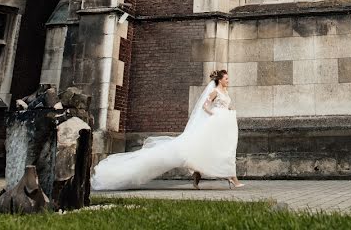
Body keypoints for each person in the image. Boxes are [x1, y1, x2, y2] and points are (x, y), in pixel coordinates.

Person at [91, 69, 244, 190]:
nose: (228, 81)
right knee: (202, 149)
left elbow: (227, 106)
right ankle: (231, 177)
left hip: (222, 126)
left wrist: (228, 113)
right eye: (226, 78)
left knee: (214, 149)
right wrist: (215, 114)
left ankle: (213, 175)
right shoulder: (215, 91)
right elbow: (205, 107)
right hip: (215, 122)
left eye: (228, 78)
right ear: (220, 79)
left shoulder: (225, 92)